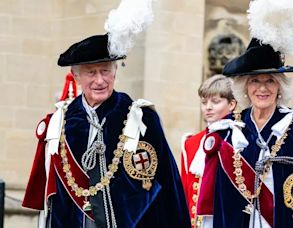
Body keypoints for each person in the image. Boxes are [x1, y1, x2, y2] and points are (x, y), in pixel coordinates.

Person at [22, 34, 190, 228]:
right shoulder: (60, 122)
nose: (100, 80)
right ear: (76, 76)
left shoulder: (140, 119)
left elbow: (168, 185)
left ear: (115, 71)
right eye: (91, 73)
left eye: (105, 71)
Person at [206, 38, 293, 227]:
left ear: (280, 86)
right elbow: (219, 194)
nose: (262, 88)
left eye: (270, 80)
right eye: (254, 81)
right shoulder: (229, 128)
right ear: (245, 86)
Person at [180, 74, 236, 227]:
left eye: (215, 102)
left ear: (232, 104)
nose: (208, 107)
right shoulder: (190, 143)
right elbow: (185, 193)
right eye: (204, 102)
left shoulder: (240, 140)